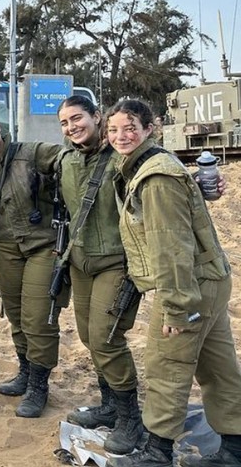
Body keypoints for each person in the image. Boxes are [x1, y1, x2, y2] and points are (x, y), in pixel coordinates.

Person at [105, 99, 241, 467]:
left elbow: (171, 246)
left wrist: (177, 307)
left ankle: (156, 453)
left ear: (150, 128)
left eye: (130, 127)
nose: (121, 135)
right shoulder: (153, 164)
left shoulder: (156, 176)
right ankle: (234, 449)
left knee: (167, 365)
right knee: (219, 368)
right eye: (114, 129)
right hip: (211, 279)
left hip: (188, 285)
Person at [57, 95, 143, 454]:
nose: (71, 127)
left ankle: (130, 419)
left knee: (107, 339)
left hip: (116, 262)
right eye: (64, 123)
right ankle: (108, 404)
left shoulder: (124, 157)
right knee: (89, 337)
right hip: (80, 263)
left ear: (96, 116)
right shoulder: (65, 159)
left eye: (77, 118)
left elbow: (161, 179)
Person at [0, 112, 63, 417]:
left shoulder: (31, 153)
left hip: (42, 246)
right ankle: (24, 371)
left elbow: (68, 159)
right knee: (17, 315)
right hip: (5, 248)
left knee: (38, 318)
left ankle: (39, 385)